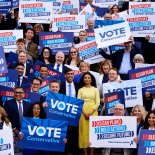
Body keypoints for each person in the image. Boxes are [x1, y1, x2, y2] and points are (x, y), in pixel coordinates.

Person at [78, 72, 100, 155]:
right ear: (83, 80)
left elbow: (98, 102)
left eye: (89, 78)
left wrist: (91, 113)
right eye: (85, 78)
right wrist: (84, 113)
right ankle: (85, 153)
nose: (87, 79)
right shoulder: (80, 90)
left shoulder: (95, 89)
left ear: (91, 79)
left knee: (92, 132)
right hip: (83, 113)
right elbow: (78, 102)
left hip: (93, 112)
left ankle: (91, 152)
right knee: (84, 132)